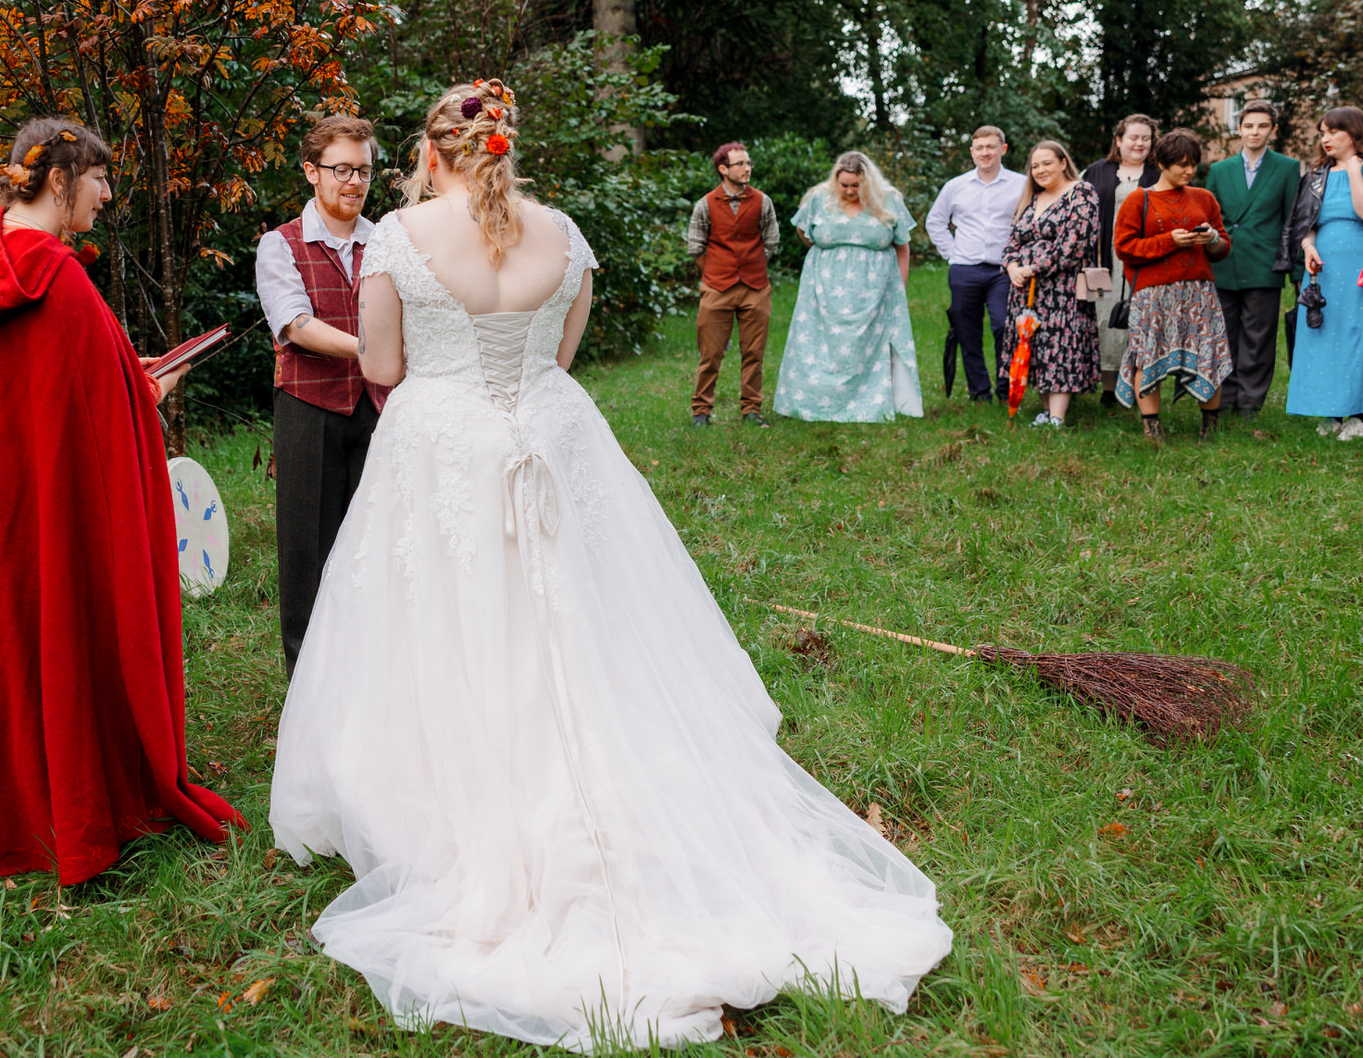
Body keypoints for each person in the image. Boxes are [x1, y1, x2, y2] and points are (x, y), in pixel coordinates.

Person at [267, 80, 952, 1051]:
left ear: (435, 151)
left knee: (451, 622)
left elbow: (379, 369)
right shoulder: (562, 230)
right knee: (582, 619)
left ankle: (460, 807)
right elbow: (563, 351)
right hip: (552, 436)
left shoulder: (399, 236)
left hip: (443, 444)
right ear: (504, 145)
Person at [0, 118, 245, 886]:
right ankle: (72, 803)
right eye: (98, 179)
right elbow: (98, 412)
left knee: (5, 634)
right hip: (51, 507)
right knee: (53, 627)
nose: (107, 192)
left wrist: (126, 369)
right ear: (59, 181)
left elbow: (59, 385)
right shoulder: (56, 276)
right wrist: (148, 388)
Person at [256, 116, 392, 680]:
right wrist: (371, 350)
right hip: (308, 411)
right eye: (341, 169)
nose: (354, 181)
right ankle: (307, 683)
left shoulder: (387, 239)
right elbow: (294, 324)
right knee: (306, 550)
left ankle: (369, 674)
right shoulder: (279, 244)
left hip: (382, 409)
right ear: (312, 172)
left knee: (375, 540)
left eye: (363, 170)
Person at [773, 151, 922, 422]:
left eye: (857, 185)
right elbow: (803, 229)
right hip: (823, 288)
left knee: (868, 348)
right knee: (819, 347)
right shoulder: (819, 198)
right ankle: (814, 403)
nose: (850, 190)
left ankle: (870, 403)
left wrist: (899, 286)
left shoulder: (889, 200)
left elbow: (902, 244)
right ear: (836, 181)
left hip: (875, 290)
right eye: (845, 185)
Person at [1113, 129, 1234, 442]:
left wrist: (1212, 240)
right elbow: (1124, 248)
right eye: (1182, 164)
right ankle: (1151, 429)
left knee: (1208, 356)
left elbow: (1223, 249)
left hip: (1199, 294)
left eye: (1193, 163)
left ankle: (1210, 428)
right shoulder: (1138, 199)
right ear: (1162, 163)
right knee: (1147, 357)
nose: (1190, 171)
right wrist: (1169, 241)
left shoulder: (1204, 198)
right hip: (1152, 296)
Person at [1204, 99, 1302, 419]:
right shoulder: (1219, 170)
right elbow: (1211, 218)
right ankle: (1227, 397)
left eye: (1262, 126)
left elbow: (1293, 220)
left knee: (1259, 338)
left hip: (1264, 262)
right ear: (1239, 129)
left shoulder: (1287, 168)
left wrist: (1295, 270)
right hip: (1225, 262)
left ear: (1273, 130)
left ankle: (1250, 404)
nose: (1254, 132)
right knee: (1226, 334)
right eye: (1248, 126)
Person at [1001, 141, 1102, 427]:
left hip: (1063, 288)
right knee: (1036, 346)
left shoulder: (1081, 194)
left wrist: (1032, 267)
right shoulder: (1031, 199)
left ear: (1062, 162)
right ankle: (1045, 412)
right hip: (1025, 289)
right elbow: (1012, 241)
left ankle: (1057, 417)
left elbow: (1074, 244)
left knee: (1060, 345)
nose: (1040, 170)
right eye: (1035, 166)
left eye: (1046, 163)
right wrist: (1012, 267)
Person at [1279, 106, 1363, 439]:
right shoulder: (1315, 176)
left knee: (1356, 333)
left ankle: (1358, 413)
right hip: (1324, 264)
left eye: (1332, 131)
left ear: (1353, 133)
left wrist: (1355, 170)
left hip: (1358, 264)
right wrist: (1308, 246)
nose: (1325, 139)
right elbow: (1307, 221)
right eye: (1322, 133)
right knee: (1325, 333)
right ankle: (1332, 412)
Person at [926, 125, 1026, 402]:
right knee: (967, 330)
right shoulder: (955, 186)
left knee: (1003, 326)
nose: (985, 153)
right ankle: (979, 392)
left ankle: (1006, 388)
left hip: (1003, 270)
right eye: (979, 148)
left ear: (1002, 150)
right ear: (972, 152)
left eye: (991, 147)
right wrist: (952, 252)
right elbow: (934, 221)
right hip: (964, 269)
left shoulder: (1021, 184)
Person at [686, 141, 779, 427]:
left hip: (755, 286)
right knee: (710, 354)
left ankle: (752, 410)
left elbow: (772, 243)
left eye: (748, 163)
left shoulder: (763, 201)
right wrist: (715, 273)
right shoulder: (705, 204)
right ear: (723, 169)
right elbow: (695, 248)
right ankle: (701, 411)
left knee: (754, 353)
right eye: (740, 164)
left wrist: (750, 266)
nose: (747, 168)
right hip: (716, 288)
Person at [1083, 114, 1162, 401]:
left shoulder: (1158, 173)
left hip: (1141, 259)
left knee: (1138, 318)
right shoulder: (1095, 171)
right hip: (1100, 259)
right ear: (1119, 140)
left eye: (1145, 138)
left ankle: (1134, 385)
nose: (1139, 143)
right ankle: (1107, 387)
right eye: (1133, 137)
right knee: (1100, 319)